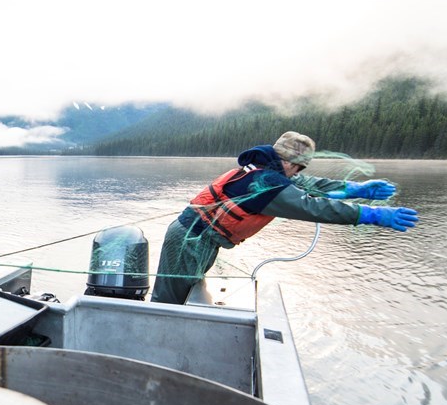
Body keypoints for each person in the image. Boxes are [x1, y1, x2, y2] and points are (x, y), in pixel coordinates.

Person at [150, 131, 419, 305]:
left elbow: (308, 185)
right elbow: (313, 207)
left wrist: (355, 189)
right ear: (289, 163)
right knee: (170, 302)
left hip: (197, 240)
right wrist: (370, 215)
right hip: (190, 241)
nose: (298, 173)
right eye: (299, 167)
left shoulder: (265, 171)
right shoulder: (268, 184)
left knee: (186, 293)